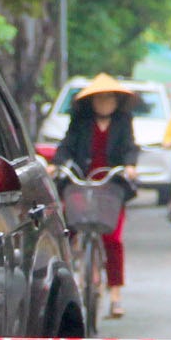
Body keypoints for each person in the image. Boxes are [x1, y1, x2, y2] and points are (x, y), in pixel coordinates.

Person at [57, 74, 141, 320]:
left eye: (109, 98)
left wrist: (130, 165)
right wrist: (57, 163)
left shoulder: (123, 122)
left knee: (112, 239)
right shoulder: (80, 122)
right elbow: (66, 146)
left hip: (111, 185)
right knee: (68, 229)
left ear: (116, 101)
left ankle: (115, 295)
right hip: (81, 183)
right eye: (100, 99)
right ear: (92, 102)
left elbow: (130, 148)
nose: (105, 103)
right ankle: (71, 281)